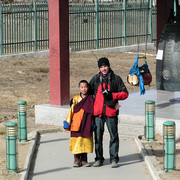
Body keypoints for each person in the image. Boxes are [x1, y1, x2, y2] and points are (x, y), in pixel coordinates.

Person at [89, 57, 128, 168]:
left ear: (109, 66)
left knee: (113, 136)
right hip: (98, 114)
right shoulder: (96, 79)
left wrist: (113, 95)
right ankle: (99, 159)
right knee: (98, 137)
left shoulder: (116, 79)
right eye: (101, 67)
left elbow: (125, 94)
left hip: (111, 113)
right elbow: (87, 91)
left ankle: (114, 159)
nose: (104, 69)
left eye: (105, 66)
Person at [63, 80, 95, 167]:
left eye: (85, 87)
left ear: (88, 88)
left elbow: (92, 113)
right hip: (76, 123)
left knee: (85, 141)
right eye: (82, 87)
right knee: (76, 141)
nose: (84, 89)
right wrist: (67, 122)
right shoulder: (75, 99)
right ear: (79, 88)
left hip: (87, 123)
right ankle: (77, 160)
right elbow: (71, 111)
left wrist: (93, 124)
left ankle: (84, 160)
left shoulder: (91, 98)